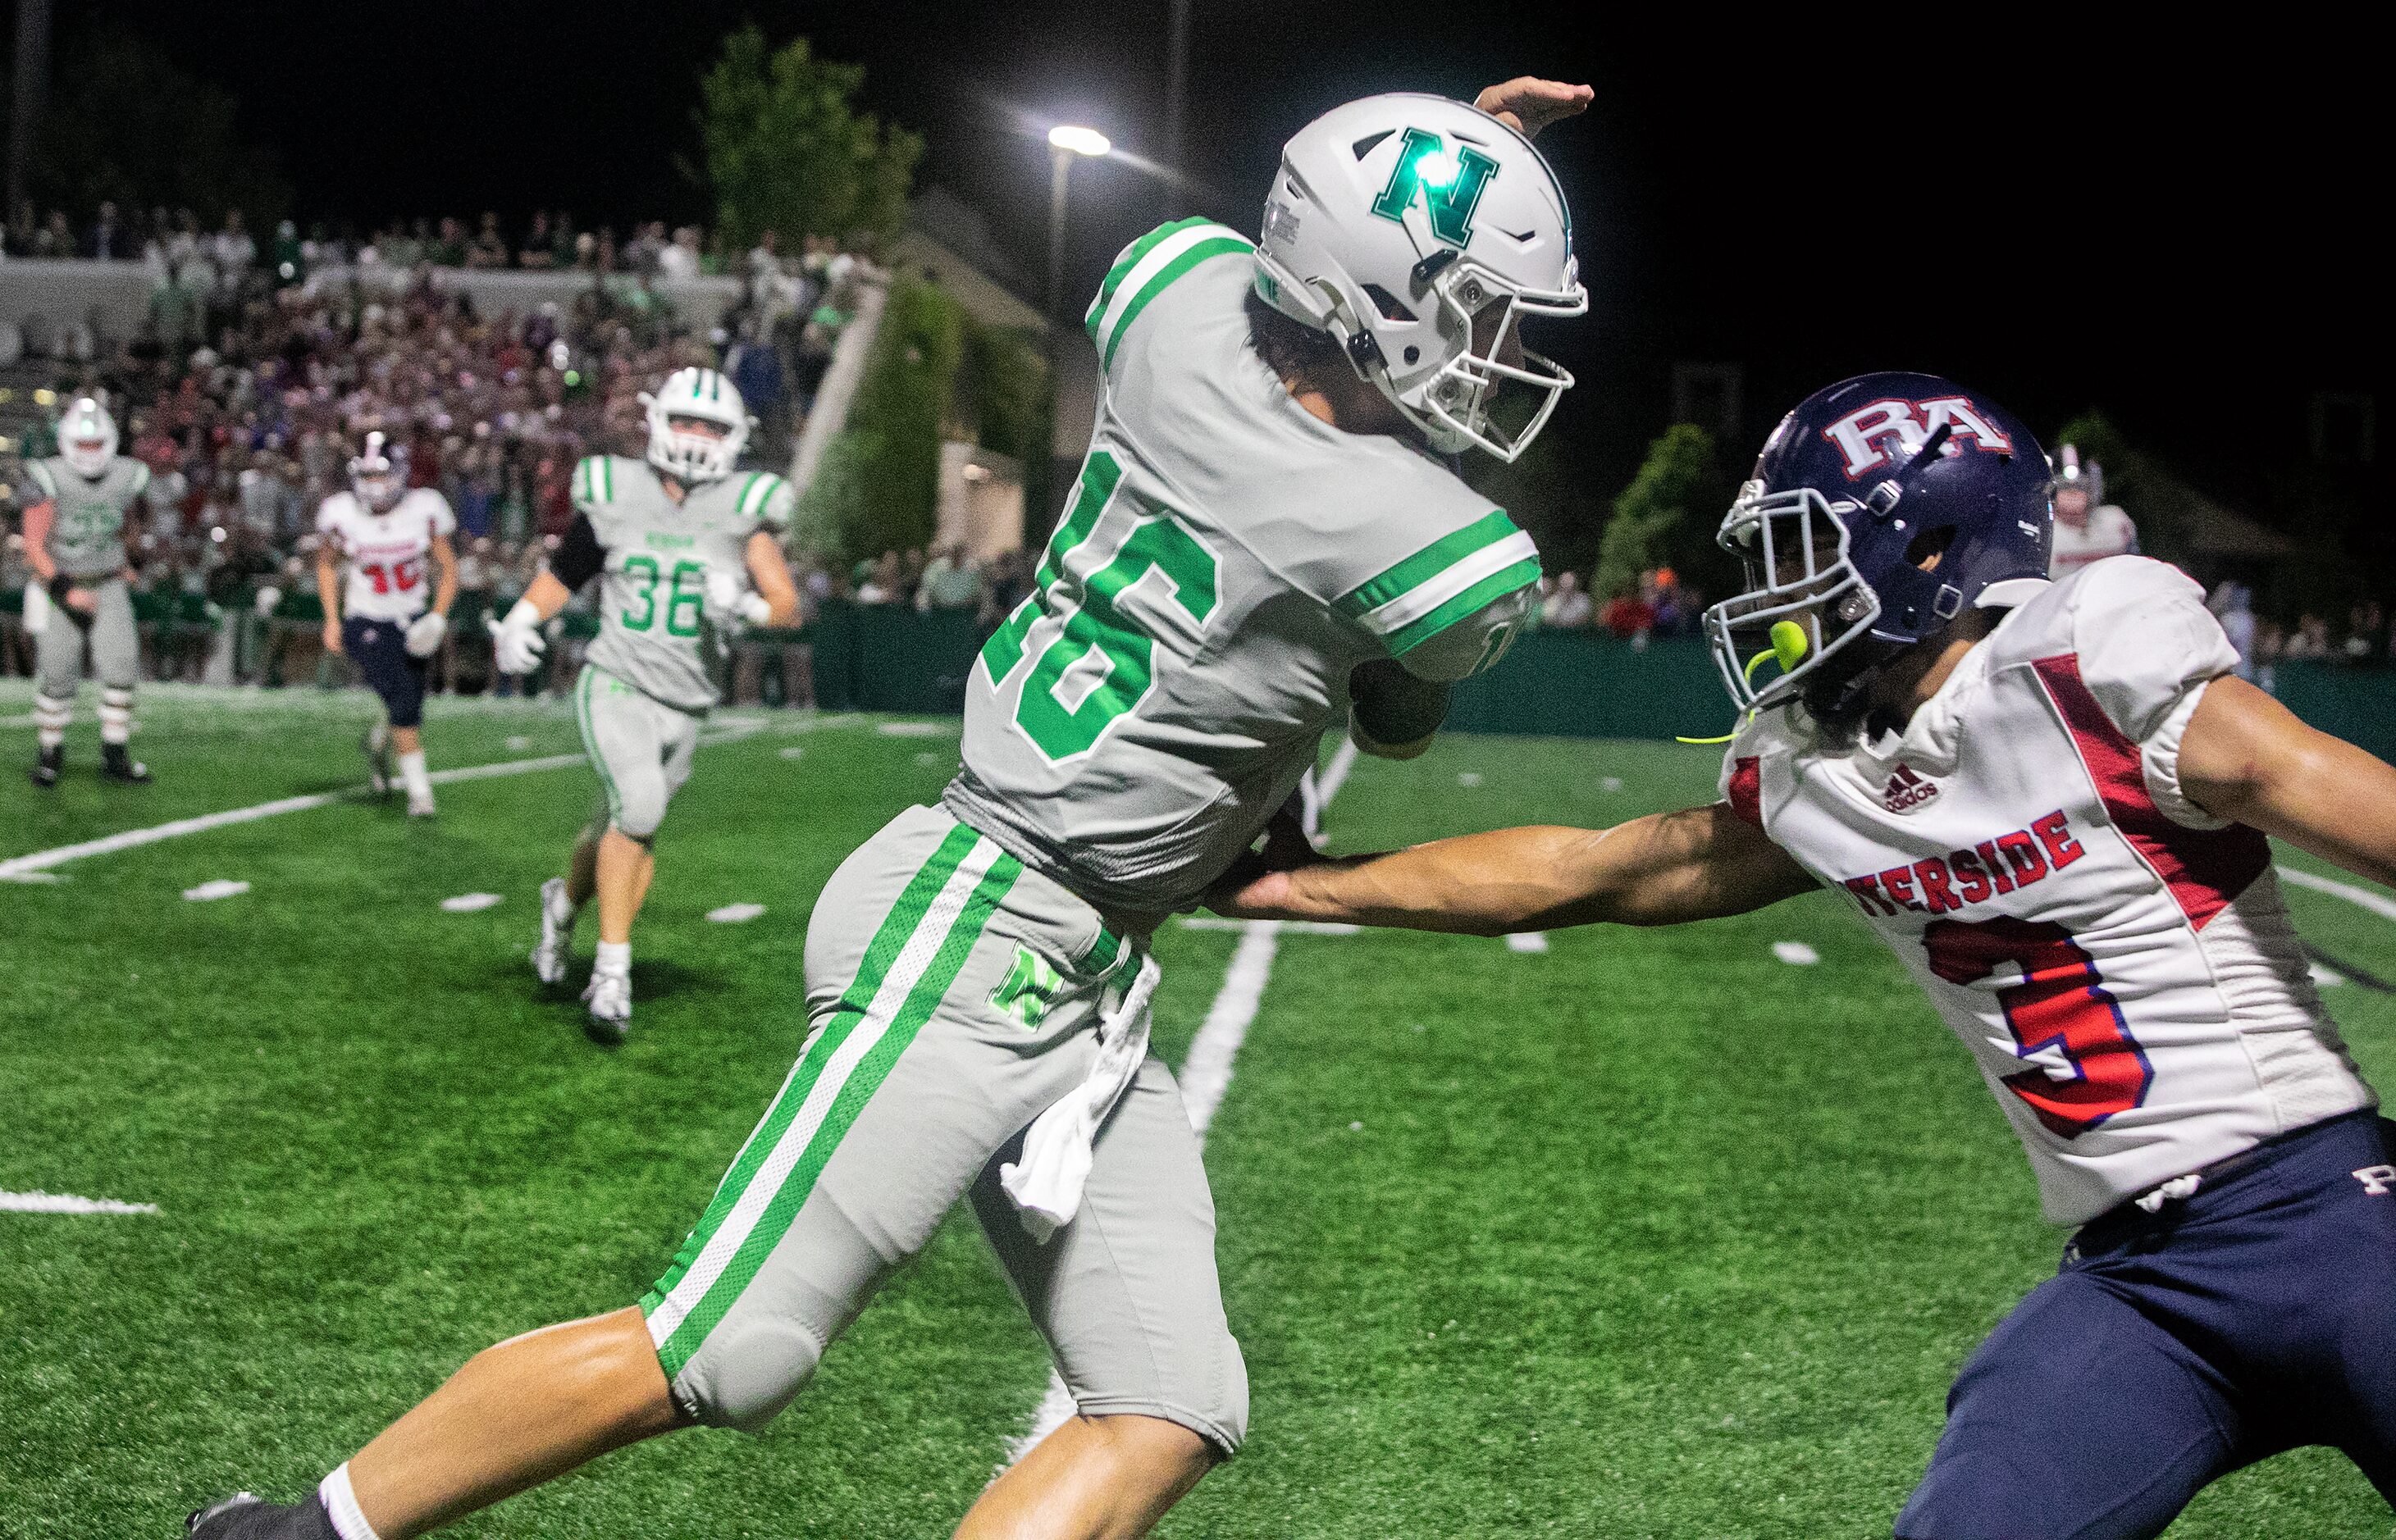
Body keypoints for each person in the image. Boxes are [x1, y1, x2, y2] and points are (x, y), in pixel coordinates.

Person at [186, 75, 1592, 1540]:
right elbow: (1396, 713)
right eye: (1480, 309)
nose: (1497, 352)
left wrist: (1444, 162)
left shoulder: (1172, 298)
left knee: (1167, 1399)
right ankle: (291, 1535)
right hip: (978, 922)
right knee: (724, 1346)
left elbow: (1252, 271)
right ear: (1390, 296)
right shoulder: (1437, 547)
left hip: (1078, 963)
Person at [1215, 371, 2396, 1540]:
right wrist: (1302, 883)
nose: (1776, 592)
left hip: (2334, 1220)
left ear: (1930, 549)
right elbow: (1603, 870)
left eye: (1802, 551)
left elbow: (2337, 799)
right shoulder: (1822, 771)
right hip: (2140, 1283)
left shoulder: (2082, 670)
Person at [489, 366, 801, 1041]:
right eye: (685, 421)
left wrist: (745, 604)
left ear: (735, 438)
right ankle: (611, 974)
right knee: (639, 807)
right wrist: (520, 620)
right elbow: (567, 572)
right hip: (617, 680)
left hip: (687, 700)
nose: (695, 436)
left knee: (627, 825)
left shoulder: (744, 508)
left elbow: (786, 605)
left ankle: (563, 905)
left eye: (710, 426)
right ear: (657, 423)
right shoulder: (616, 492)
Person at [314, 433, 459, 817]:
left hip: (412, 620)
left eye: (381, 476)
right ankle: (420, 794)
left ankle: (378, 745)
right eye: (367, 476)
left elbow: (449, 568)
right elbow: (325, 564)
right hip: (365, 620)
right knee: (403, 702)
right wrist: (332, 618)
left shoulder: (424, 508)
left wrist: (439, 616)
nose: (374, 485)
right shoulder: (341, 513)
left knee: (408, 701)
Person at [20, 396, 154, 786]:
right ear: (66, 442)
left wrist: (130, 560)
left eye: (96, 444)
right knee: (56, 672)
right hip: (60, 585)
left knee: (122, 664)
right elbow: (33, 544)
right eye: (83, 445)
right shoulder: (46, 475)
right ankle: (50, 754)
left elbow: (133, 519)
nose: (90, 453)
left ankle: (115, 753)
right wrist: (65, 589)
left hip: (108, 580)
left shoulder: (129, 474)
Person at [2047, 443, 2137, 576]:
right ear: (2051, 491)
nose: (2073, 492)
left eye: (2081, 486)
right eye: (2063, 487)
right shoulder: (2044, 532)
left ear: (2093, 488)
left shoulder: (2116, 523)